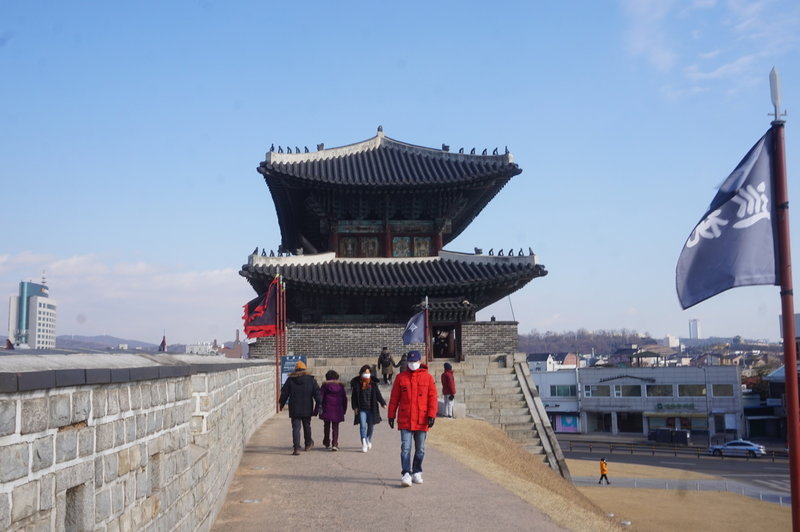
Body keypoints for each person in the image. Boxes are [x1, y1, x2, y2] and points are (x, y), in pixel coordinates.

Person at [388, 350, 438, 487]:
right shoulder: (401, 378)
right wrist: (391, 415)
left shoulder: (427, 378)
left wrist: (432, 415)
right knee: (406, 447)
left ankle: (417, 471)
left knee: (420, 448)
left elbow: (432, 398)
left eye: (414, 362)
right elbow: (394, 399)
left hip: (422, 419)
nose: (412, 364)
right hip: (405, 418)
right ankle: (406, 473)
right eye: (410, 362)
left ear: (419, 362)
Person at [279, 361, 321, 456]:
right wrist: (319, 403)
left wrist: (281, 403)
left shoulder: (290, 380)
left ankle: (296, 448)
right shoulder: (311, 380)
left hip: (294, 407)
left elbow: (284, 393)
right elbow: (317, 393)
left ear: (296, 369)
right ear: (305, 369)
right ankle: (308, 444)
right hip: (307, 407)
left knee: (296, 428)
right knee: (307, 426)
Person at [350, 364, 386, 453]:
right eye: (365, 373)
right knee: (362, 426)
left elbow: (378, 394)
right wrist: (354, 407)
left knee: (371, 426)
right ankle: (364, 442)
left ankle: (368, 439)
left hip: (371, 408)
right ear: (361, 374)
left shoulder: (373, 384)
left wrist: (382, 403)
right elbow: (353, 397)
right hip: (362, 409)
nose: (366, 374)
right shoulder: (357, 384)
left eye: (368, 372)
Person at [319, 370, 347, 451]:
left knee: (326, 425)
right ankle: (335, 444)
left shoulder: (324, 386)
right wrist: (344, 409)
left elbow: (320, 397)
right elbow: (344, 399)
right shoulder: (341, 387)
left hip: (326, 408)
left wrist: (318, 409)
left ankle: (326, 441)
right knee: (335, 427)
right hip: (337, 409)